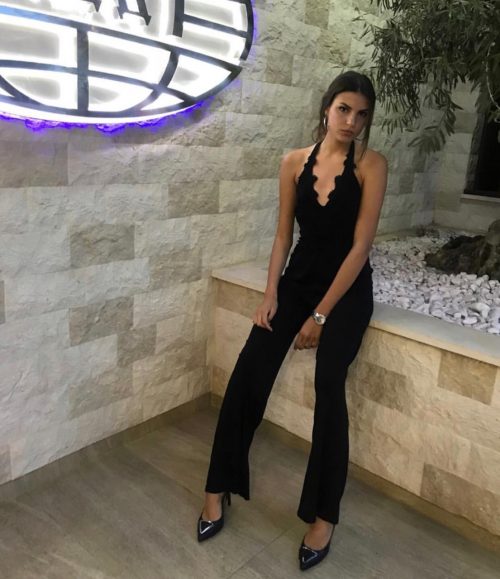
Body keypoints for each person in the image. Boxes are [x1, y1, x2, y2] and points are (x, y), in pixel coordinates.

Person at [197, 70, 387, 571]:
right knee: (249, 370)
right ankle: (217, 486)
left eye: (361, 114)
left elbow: (361, 247)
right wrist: (270, 294)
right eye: (344, 109)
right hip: (298, 279)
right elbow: (284, 234)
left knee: (329, 383)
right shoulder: (292, 163)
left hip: (347, 289)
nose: (351, 121)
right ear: (326, 108)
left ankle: (323, 516)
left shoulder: (371, 165)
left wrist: (321, 314)